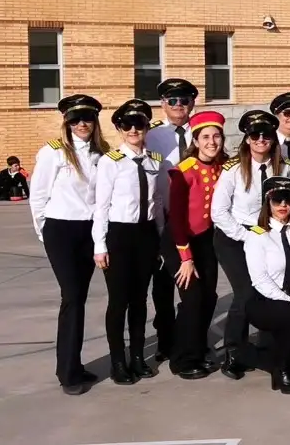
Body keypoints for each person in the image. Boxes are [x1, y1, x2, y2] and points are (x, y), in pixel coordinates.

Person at [29, 95, 109, 395]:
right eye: (75, 119)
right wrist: (44, 231)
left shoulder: (103, 153)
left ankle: (74, 364)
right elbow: (38, 195)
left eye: (87, 117)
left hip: (89, 229)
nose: (82, 124)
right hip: (61, 229)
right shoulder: (54, 152)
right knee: (72, 297)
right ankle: (67, 373)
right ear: (67, 122)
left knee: (79, 298)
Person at [210, 109, 290, 380]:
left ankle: (266, 347)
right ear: (247, 139)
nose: (261, 140)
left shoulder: (284, 168)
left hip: (268, 235)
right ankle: (234, 351)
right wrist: (248, 237)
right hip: (235, 236)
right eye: (255, 135)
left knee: (269, 289)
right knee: (245, 292)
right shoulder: (233, 169)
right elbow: (218, 212)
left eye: (266, 135)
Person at [92, 99, 167, 385]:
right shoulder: (110, 162)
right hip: (120, 235)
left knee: (140, 300)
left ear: (147, 127)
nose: (134, 130)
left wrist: (160, 238)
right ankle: (117, 362)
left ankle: (137, 357)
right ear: (119, 129)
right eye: (127, 125)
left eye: (139, 124)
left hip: (146, 234)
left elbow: (157, 201)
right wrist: (100, 246)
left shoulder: (155, 160)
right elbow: (101, 206)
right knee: (119, 300)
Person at [163, 111, 227, 379]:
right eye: (206, 137)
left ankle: (199, 349)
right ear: (196, 141)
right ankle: (181, 359)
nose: (212, 142)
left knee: (209, 297)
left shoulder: (224, 167)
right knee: (192, 299)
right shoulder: (183, 171)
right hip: (181, 242)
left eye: (216, 136)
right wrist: (186, 258)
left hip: (207, 241)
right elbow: (177, 218)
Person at [244, 177, 290, 394]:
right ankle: (282, 372)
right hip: (266, 300)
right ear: (268, 202)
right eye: (277, 199)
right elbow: (260, 279)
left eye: (289, 199)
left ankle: (254, 357)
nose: (283, 205)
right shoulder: (257, 235)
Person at [146, 77, 200, 364]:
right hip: (164, 218)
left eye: (184, 100)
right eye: (173, 100)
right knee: (163, 285)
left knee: (196, 285)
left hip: (196, 220)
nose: (179, 105)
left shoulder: (202, 132)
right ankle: (165, 339)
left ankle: (194, 339)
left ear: (192, 103)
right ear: (163, 104)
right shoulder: (152, 135)